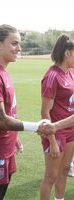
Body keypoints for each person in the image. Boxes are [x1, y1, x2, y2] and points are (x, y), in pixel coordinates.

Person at [0, 24, 47, 200]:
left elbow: (8, 114)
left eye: (19, 44)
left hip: (4, 148)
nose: (18, 48)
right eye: (14, 43)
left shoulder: (2, 72)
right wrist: (37, 126)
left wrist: (15, 138)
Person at [40, 34, 74, 200]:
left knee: (65, 169)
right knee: (51, 176)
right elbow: (45, 112)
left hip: (71, 130)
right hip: (56, 132)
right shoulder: (52, 76)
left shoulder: (71, 72)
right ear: (67, 53)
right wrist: (52, 141)